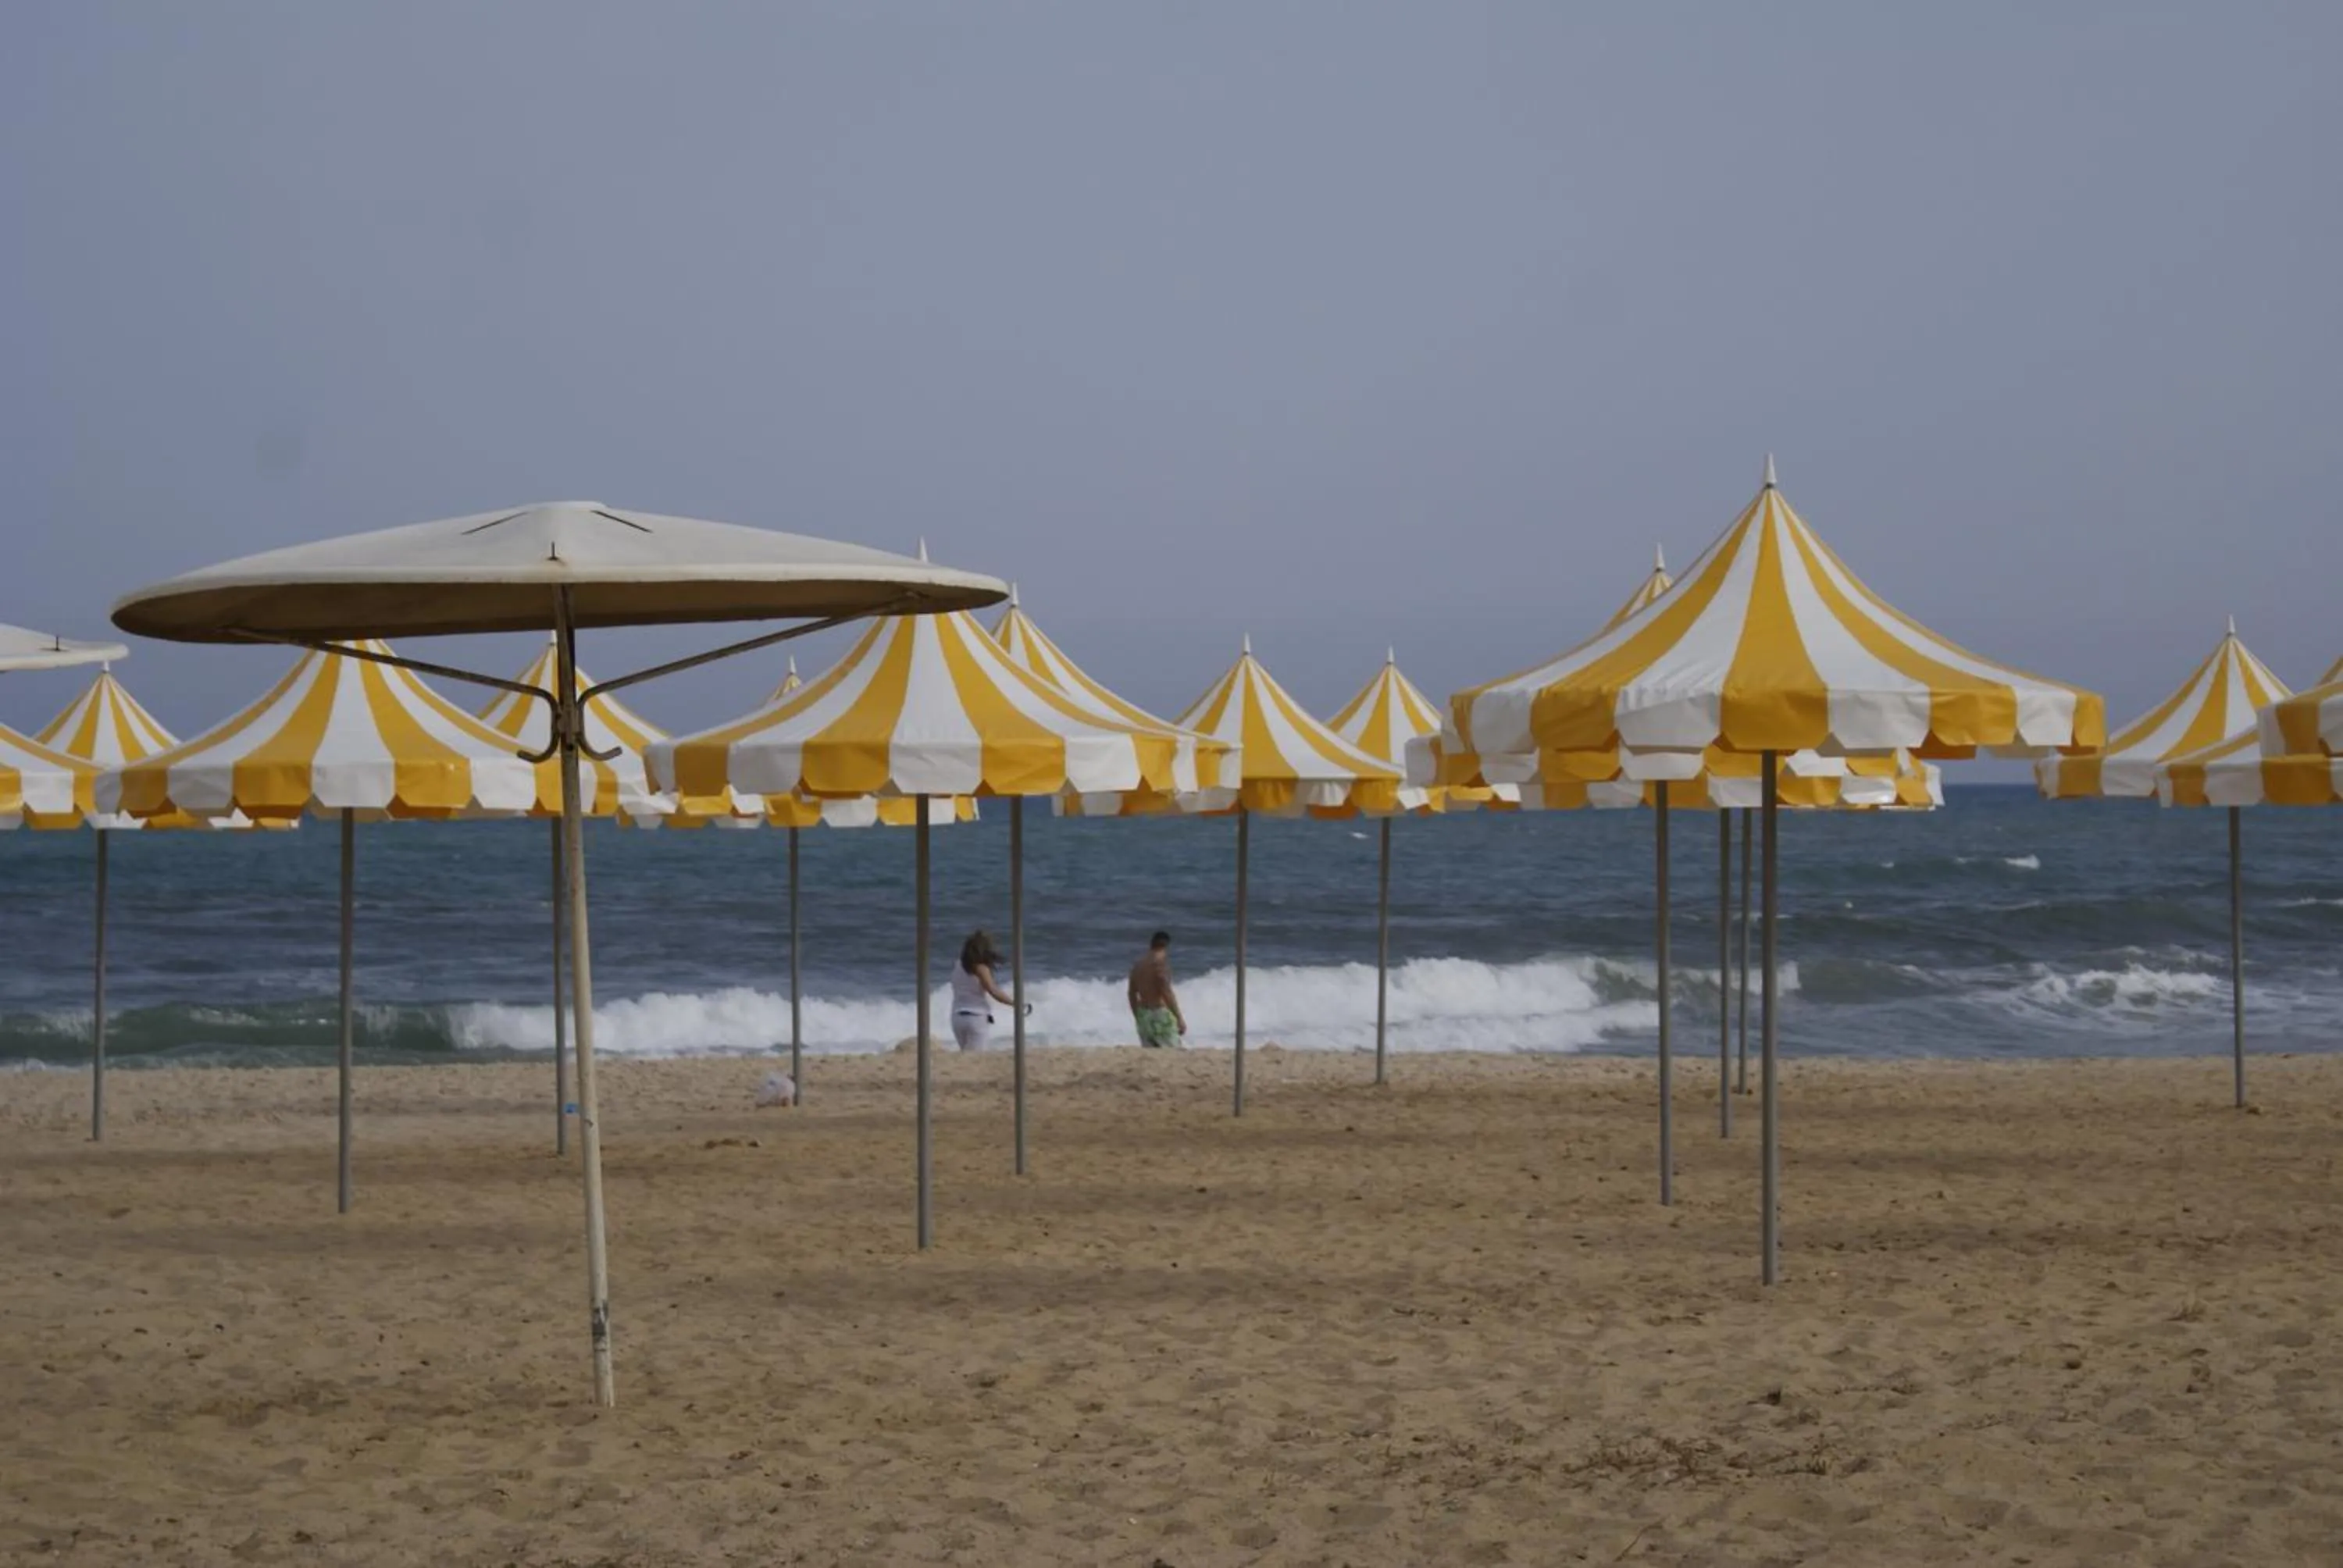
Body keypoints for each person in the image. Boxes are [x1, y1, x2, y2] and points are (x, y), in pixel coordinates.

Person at [950, 930, 1020, 1052]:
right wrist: (1014, 1003)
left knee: (966, 1055)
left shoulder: (958, 965)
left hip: (957, 1017)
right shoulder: (981, 968)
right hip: (976, 1017)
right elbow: (993, 990)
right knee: (976, 1057)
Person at [1127, 930, 1186, 1049]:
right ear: (1166, 946)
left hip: (1144, 1014)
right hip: (1159, 1015)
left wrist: (1137, 1016)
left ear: (1151, 944)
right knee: (1173, 1052)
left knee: (1151, 1052)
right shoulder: (1160, 964)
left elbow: (1131, 993)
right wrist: (1179, 1018)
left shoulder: (1138, 965)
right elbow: (1166, 992)